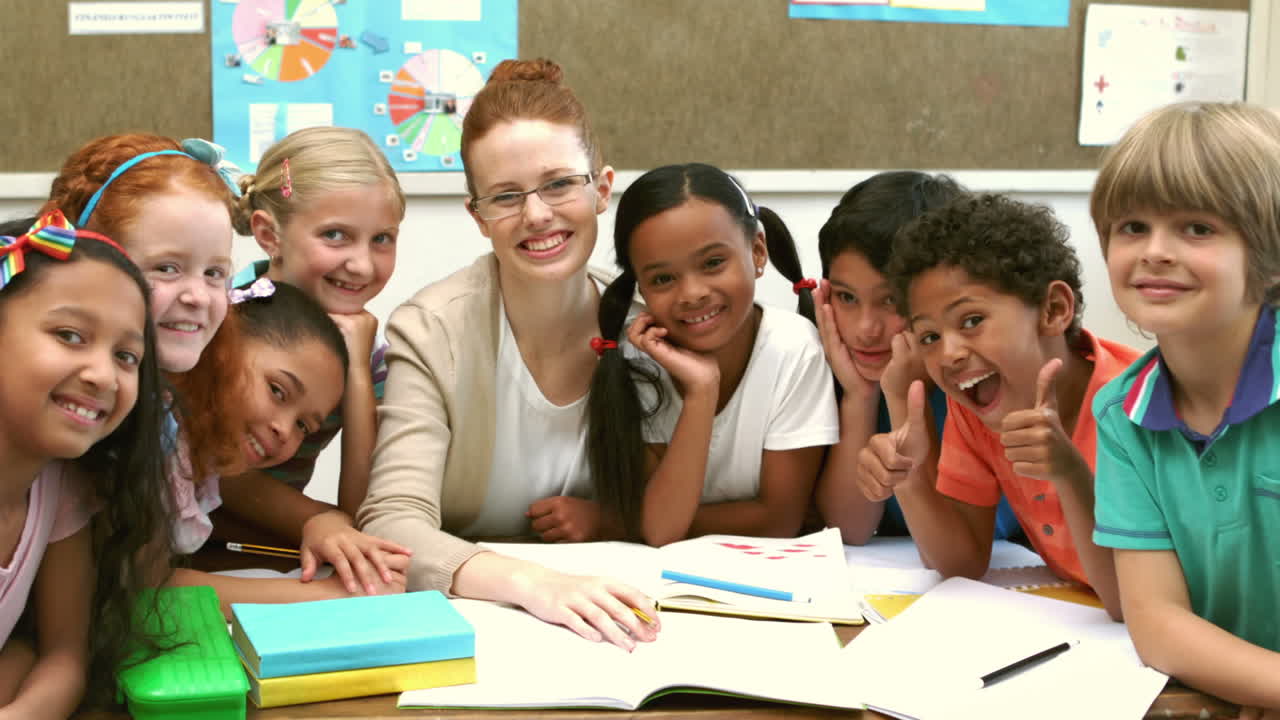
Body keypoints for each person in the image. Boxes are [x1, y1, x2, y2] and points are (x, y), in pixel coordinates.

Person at [358, 58, 658, 651]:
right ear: (478, 216)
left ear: (600, 189)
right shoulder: (431, 330)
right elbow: (392, 526)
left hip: (622, 621)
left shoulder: (646, 322)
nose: (537, 214)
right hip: (482, 622)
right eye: (505, 196)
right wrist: (533, 583)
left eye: (558, 184)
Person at [863, 192, 1138, 620]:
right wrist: (910, 476)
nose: (949, 353)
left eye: (971, 321)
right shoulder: (978, 410)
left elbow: (1131, 600)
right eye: (929, 337)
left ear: (1054, 309)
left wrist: (1067, 473)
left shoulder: (1139, 406)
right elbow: (960, 564)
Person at [1090, 101, 1280, 714]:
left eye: (1197, 228)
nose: (1155, 252)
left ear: (1268, 253)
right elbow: (1158, 623)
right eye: (1132, 227)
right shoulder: (1122, 416)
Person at [587, 162, 838, 547]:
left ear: (757, 251)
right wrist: (701, 391)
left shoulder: (795, 349)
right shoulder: (637, 358)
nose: (692, 293)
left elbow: (778, 521)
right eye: (663, 279)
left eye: (713, 263)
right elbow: (661, 528)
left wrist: (618, 524)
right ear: (640, 286)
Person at [227, 126, 410, 593]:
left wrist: (356, 372)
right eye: (335, 235)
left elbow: (365, 511)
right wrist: (321, 518)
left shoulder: (366, 350)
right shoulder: (218, 323)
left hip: (259, 552)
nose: (363, 265)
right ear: (269, 234)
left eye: (382, 239)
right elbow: (210, 471)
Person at [0, 213, 169, 716]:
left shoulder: (61, 488)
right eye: (70, 335)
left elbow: (62, 656)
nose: (103, 375)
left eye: (127, 356)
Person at [165, 281, 406, 615]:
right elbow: (147, 589)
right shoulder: (155, 434)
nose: (284, 430)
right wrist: (329, 596)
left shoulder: (206, 461)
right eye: (278, 391)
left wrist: (325, 524)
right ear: (219, 348)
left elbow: (324, 515)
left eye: (303, 426)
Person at [811, 171, 1022, 545]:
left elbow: (976, 541)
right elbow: (849, 530)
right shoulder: (824, 372)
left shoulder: (982, 380)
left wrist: (905, 397)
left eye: (890, 300)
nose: (866, 329)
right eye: (846, 297)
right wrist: (861, 396)